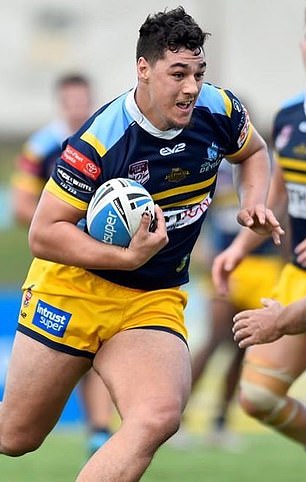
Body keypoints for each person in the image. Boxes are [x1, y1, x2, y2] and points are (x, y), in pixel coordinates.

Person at [1, 7, 283, 481]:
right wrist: (123, 256)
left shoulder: (219, 111)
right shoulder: (102, 139)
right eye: (178, 73)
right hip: (73, 289)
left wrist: (253, 201)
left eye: (198, 72)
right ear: (144, 69)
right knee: (16, 438)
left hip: (151, 298)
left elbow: (254, 151)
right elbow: (43, 233)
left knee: (157, 416)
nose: (191, 86)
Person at [212, 24, 306, 448]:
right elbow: (279, 196)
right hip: (297, 276)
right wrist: (239, 246)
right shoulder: (290, 117)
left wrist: (279, 321)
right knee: (258, 397)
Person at [11, 73, 115, 455]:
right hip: (58, 270)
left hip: (105, 268)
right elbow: (22, 206)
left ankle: (100, 433)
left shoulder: (106, 137)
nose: (77, 107)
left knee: (100, 348)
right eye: (70, 100)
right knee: (18, 431)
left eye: (82, 99)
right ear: (61, 102)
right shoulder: (41, 147)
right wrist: (64, 220)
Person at [171, 159, 283, 449]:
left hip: (264, 265)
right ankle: (176, 418)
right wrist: (199, 251)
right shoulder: (211, 164)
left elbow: (283, 207)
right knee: (215, 339)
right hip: (227, 263)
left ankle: (220, 422)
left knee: (243, 347)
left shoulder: (268, 165)